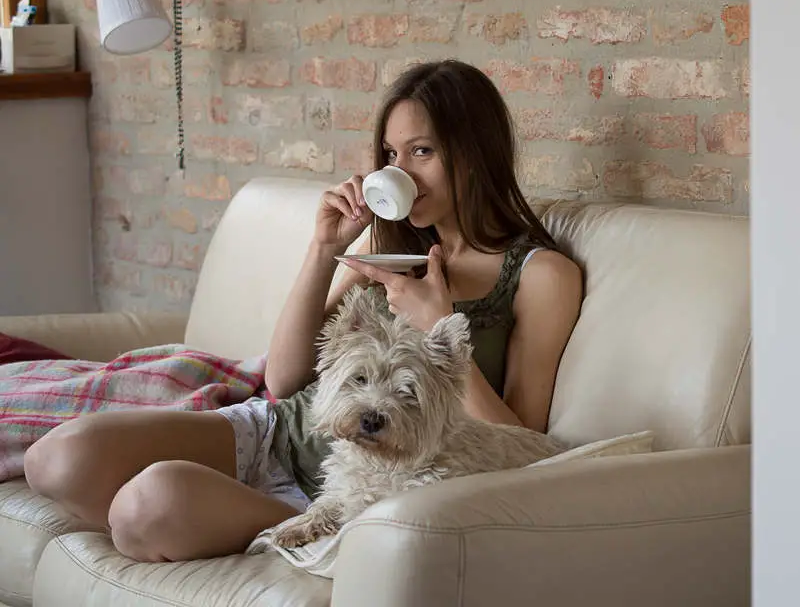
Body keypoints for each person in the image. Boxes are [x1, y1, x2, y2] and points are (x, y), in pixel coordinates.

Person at [22, 59, 584, 562]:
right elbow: (285, 378)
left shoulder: (539, 276)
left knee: (144, 509)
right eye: (391, 154)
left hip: (372, 484)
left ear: (475, 153)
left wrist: (435, 325)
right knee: (58, 459)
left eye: (423, 151)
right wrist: (323, 249)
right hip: (280, 434)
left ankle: (321, 527)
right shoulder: (387, 253)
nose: (402, 172)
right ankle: (268, 518)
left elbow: (525, 449)